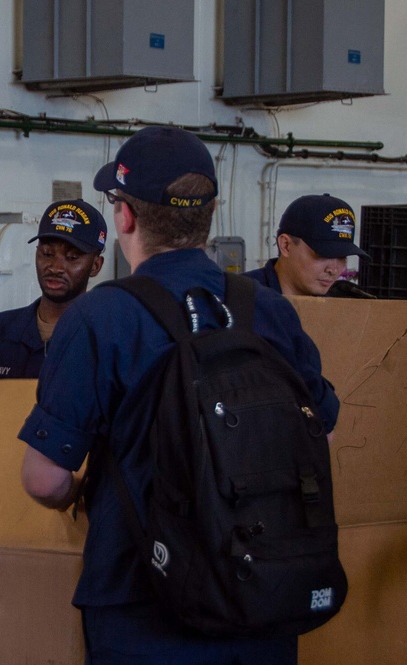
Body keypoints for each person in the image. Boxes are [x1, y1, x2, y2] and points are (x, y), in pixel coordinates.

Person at [17, 127, 339, 664]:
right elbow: (323, 426)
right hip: (263, 591)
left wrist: (73, 495)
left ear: (124, 217)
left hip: (144, 600)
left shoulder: (101, 318)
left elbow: (44, 477)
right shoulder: (270, 311)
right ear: (209, 214)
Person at [0, 199, 106, 379]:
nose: (55, 267)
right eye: (47, 254)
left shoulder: (106, 341)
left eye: (72, 257)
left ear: (95, 266)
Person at [243, 193, 370, 296]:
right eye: (322, 255)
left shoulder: (344, 308)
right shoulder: (237, 298)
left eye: (342, 257)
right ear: (286, 245)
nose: (333, 270)